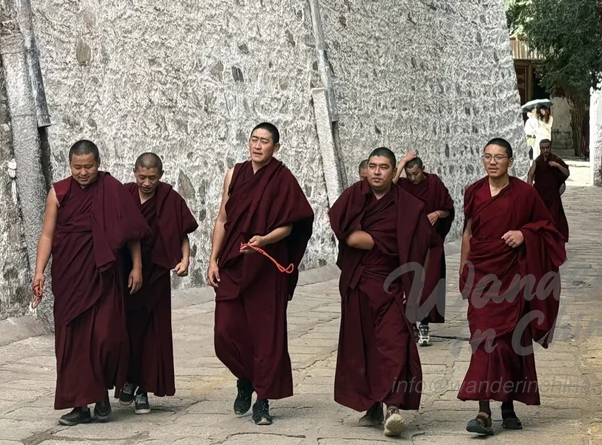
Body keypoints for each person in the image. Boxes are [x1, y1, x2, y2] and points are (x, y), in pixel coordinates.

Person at [32, 140, 149, 426]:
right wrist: (38, 272)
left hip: (104, 276)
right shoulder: (58, 193)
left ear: (98, 163)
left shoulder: (112, 190)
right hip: (70, 277)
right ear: (69, 165)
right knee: (72, 342)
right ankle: (81, 405)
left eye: (89, 167)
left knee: (105, 337)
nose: (83, 173)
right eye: (77, 167)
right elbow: (47, 235)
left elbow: (131, 231)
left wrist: (137, 266)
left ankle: (101, 395)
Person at [459, 137, 566, 436]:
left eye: (499, 157)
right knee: (482, 343)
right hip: (482, 277)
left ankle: (507, 406)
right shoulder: (473, 192)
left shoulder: (524, 194)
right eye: (487, 156)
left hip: (512, 280)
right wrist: (463, 272)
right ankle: (483, 411)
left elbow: (547, 230)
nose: (492, 162)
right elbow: (468, 233)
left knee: (508, 346)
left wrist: (523, 233)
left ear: (510, 161)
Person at [209, 122, 314, 426]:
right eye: (253, 140)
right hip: (233, 262)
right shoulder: (234, 174)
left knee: (266, 336)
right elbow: (223, 219)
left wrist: (264, 241)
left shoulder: (282, 179)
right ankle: (245, 378)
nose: (257, 146)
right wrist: (212, 259)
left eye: (264, 141)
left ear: (275, 148)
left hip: (267, 267)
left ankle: (262, 401)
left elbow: (292, 225)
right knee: (224, 332)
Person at [329, 148, 433, 438]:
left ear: (393, 172)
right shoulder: (354, 196)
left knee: (394, 344)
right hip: (360, 285)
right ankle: (371, 404)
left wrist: (414, 287)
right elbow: (345, 233)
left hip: (392, 287)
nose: (377, 171)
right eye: (373, 166)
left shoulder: (408, 206)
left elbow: (421, 246)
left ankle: (393, 408)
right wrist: (381, 241)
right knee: (363, 347)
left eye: (383, 167)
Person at [118, 152, 198, 413]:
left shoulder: (170, 199)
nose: (147, 183)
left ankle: (143, 389)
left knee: (153, 334)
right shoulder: (125, 195)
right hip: (126, 274)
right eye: (142, 177)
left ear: (161, 176)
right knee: (127, 331)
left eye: (152, 178)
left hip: (157, 276)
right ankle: (127, 380)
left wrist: (185, 260)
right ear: (134, 173)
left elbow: (182, 233)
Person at [395, 151, 455, 346]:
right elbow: (390, 185)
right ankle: (410, 324)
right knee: (408, 285)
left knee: (429, 284)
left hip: (430, 243)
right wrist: (402, 162)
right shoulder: (402, 186)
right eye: (409, 174)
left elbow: (449, 209)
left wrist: (438, 213)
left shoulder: (434, 183)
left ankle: (424, 325)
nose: (412, 178)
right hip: (408, 243)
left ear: (423, 169)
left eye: (416, 174)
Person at [527, 139, 570, 242]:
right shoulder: (537, 161)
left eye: (547, 147)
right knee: (540, 219)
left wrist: (557, 165)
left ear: (550, 147)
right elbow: (530, 175)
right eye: (543, 148)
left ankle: (555, 241)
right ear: (540, 148)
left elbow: (567, 173)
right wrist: (529, 190)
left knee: (555, 220)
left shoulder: (556, 159)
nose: (545, 150)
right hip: (540, 196)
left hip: (553, 196)